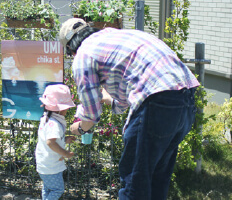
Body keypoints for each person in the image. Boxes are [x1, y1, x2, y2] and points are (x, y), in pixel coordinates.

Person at [59, 18, 200, 200]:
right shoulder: (113, 36)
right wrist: (111, 100)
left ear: (70, 49)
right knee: (157, 177)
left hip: (157, 99)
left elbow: (90, 114)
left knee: (135, 181)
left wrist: (77, 128)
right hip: (185, 96)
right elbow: (132, 86)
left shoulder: (83, 55)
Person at [35, 84, 77, 200]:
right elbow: (50, 142)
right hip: (51, 166)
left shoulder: (46, 119)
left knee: (48, 188)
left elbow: (49, 139)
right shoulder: (55, 124)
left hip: (44, 163)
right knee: (57, 189)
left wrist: (64, 139)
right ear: (61, 109)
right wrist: (65, 153)